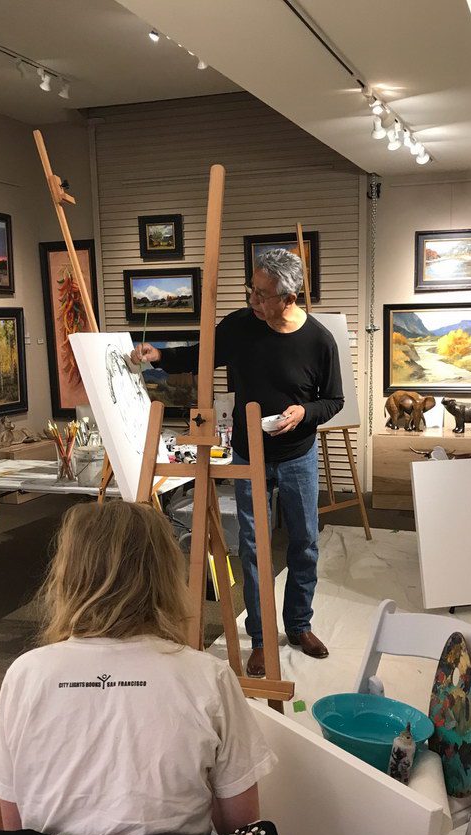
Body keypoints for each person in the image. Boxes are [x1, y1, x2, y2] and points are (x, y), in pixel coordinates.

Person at [0, 501, 276, 835]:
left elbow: (16, 826)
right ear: (166, 574)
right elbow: (240, 828)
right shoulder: (209, 677)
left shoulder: (25, 674)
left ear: (66, 575)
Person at [132, 249, 344, 677]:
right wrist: (161, 355)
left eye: (262, 295)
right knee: (254, 545)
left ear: (289, 297)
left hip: (298, 455)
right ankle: (262, 636)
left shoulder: (319, 340)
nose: (253, 300)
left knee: (304, 543)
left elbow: (333, 400)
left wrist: (305, 413)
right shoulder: (240, 326)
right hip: (250, 454)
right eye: (251, 290)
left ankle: (299, 625)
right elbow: (201, 354)